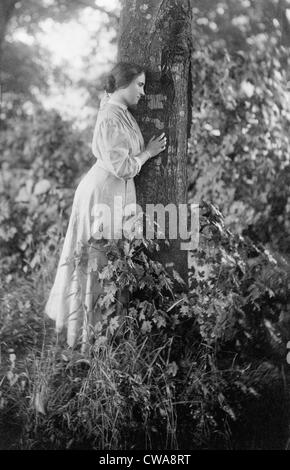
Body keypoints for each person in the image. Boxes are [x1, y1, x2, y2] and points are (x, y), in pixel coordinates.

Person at [45, 62, 167, 350]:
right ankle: (88, 339)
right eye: (139, 85)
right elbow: (122, 166)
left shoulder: (117, 109)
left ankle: (100, 337)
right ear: (123, 84)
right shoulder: (111, 116)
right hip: (101, 193)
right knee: (97, 260)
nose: (143, 91)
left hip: (114, 194)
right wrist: (148, 153)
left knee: (108, 261)